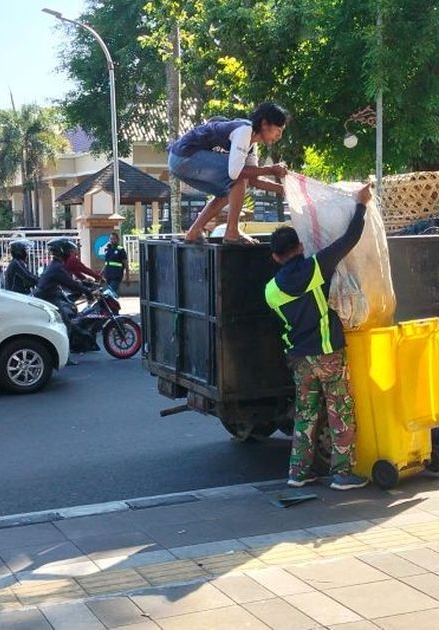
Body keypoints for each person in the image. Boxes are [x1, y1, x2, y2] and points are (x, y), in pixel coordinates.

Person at [265, 183, 373, 491]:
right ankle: (342, 473)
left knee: (305, 414)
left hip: (299, 359)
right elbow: (350, 239)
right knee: (340, 411)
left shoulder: (270, 292)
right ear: (300, 247)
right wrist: (361, 205)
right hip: (328, 353)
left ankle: (298, 473)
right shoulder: (315, 268)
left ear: (275, 257)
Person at [171, 102, 290, 244]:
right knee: (238, 179)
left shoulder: (251, 145)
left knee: (228, 193)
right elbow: (236, 174)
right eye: (278, 130)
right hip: (184, 156)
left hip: (181, 163)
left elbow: (253, 179)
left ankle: (194, 232)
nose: (279, 136)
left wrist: (284, 190)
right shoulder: (245, 130)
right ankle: (232, 231)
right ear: (265, 124)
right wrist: (271, 169)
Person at [35, 239, 99, 352]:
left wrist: (84, 284)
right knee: (66, 325)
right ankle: (66, 355)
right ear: (62, 252)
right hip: (48, 298)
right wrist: (88, 291)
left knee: (70, 310)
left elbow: (71, 279)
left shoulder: (56, 265)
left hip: (50, 296)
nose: (71, 254)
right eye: (69, 251)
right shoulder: (57, 267)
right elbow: (71, 283)